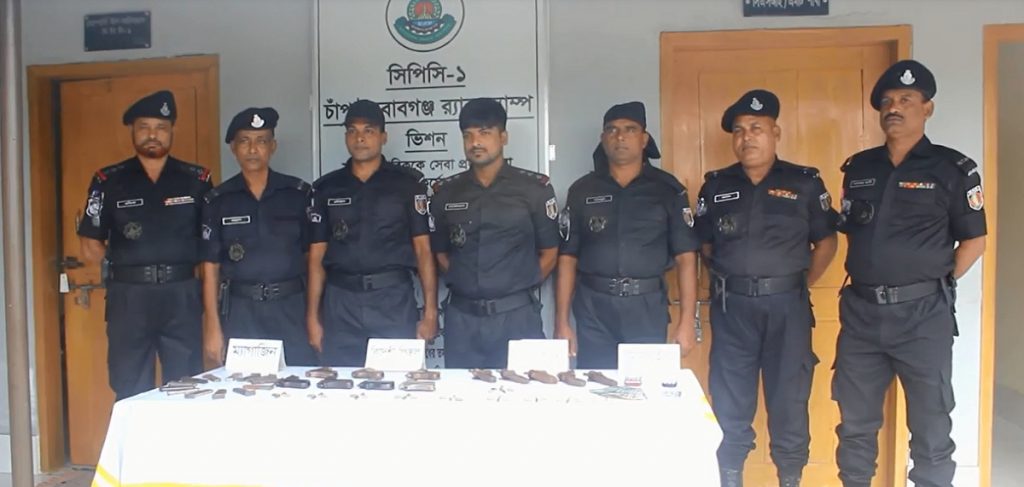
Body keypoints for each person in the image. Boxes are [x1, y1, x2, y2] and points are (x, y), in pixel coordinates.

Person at [832, 60, 986, 487]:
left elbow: (974, 241)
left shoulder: (953, 169)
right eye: (887, 102)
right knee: (855, 426)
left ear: (927, 108)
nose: (894, 108)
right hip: (862, 316)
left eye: (905, 99)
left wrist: (934, 285)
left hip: (922, 319)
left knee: (931, 427)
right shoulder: (859, 169)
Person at [695, 90, 839, 487]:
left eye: (756, 128)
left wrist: (798, 284)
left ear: (775, 133)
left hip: (787, 309)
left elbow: (826, 242)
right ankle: (730, 479)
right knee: (730, 402)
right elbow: (705, 245)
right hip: (733, 310)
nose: (747, 137)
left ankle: (790, 479)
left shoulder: (804, 183)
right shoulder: (716, 186)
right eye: (739, 131)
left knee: (789, 403)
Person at [77, 90, 212, 399]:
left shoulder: (196, 180)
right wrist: (124, 267)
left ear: (172, 130)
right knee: (130, 386)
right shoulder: (108, 181)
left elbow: (209, 244)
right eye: (144, 127)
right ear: (133, 131)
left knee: (186, 386)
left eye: (161, 127)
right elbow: (90, 242)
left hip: (181, 295)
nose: (153, 135)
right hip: (130, 298)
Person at [555, 101, 699, 369]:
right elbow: (567, 258)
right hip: (594, 309)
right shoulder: (582, 191)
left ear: (644, 139)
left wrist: (687, 322)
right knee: (595, 386)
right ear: (603, 139)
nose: (620, 136)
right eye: (612, 130)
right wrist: (561, 322)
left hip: (646, 308)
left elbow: (686, 258)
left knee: (645, 387)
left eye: (630, 129)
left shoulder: (668, 190)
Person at [430, 97, 559, 368]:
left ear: (503, 137)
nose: (475, 142)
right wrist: (465, 281)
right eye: (468, 135)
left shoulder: (533, 190)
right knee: (462, 390)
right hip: (463, 319)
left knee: (524, 389)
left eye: (484, 133)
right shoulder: (446, 193)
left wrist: (518, 285)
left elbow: (550, 252)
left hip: (517, 317)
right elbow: (440, 253)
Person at [307, 100, 438, 366]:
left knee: (397, 379)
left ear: (383, 137)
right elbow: (316, 256)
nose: (360, 138)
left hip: (392, 299)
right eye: (352, 131)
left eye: (368, 131)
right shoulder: (326, 188)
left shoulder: (407, 185)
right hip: (341, 301)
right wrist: (312, 316)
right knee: (341, 381)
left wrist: (430, 312)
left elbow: (424, 251)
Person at [199, 107, 318, 367]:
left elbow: (314, 260)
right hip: (241, 311)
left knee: (297, 382)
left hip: (291, 309)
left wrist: (314, 316)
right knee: (244, 385)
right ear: (233, 148)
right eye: (245, 141)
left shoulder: (298, 194)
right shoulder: (218, 200)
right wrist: (212, 326)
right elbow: (210, 269)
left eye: (261, 141)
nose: (253, 149)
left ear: (272, 146)